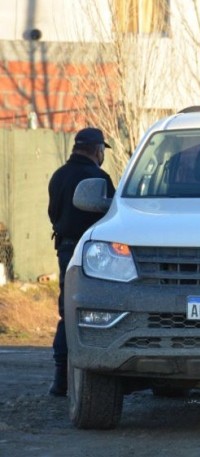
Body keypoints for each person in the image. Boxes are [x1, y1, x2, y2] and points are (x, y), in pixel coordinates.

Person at [47, 127, 115, 396]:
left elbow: (53, 214)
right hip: (94, 256)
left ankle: (60, 379)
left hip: (65, 250)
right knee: (97, 311)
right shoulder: (99, 178)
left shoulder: (58, 176)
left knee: (68, 311)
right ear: (98, 150)